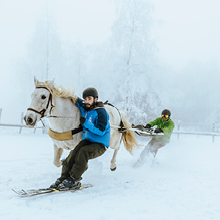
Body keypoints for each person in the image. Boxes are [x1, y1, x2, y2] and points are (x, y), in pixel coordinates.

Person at [50, 87, 110, 189]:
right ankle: (63, 177)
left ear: (95, 99)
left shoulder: (101, 112)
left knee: (83, 152)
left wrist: (86, 123)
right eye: (85, 99)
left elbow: (101, 131)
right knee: (73, 153)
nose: (87, 101)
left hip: (100, 144)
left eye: (89, 99)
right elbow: (76, 99)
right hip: (87, 141)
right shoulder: (84, 106)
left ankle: (74, 179)